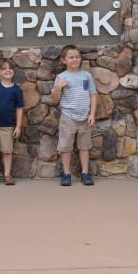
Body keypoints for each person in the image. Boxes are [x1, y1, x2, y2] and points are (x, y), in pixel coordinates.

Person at [51, 44, 98, 186]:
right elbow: (54, 100)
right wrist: (59, 87)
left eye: (77, 57)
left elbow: (92, 94)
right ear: (64, 60)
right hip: (68, 116)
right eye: (71, 57)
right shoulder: (61, 77)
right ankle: (66, 174)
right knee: (65, 147)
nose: (75, 59)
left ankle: (85, 173)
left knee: (84, 146)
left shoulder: (86, 76)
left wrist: (92, 114)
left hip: (85, 116)